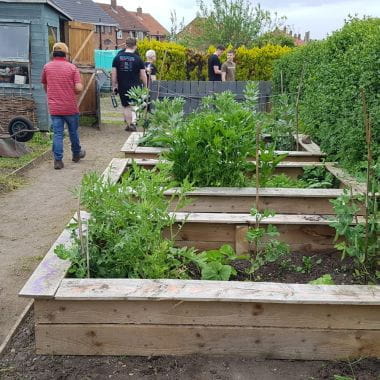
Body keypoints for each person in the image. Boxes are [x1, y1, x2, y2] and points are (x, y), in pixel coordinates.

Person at [41, 42, 85, 170]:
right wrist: (79, 88)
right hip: (70, 107)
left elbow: (45, 85)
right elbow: (78, 88)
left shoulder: (47, 67)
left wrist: (52, 95)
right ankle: (76, 154)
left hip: (55, 107)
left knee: (58, 134)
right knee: (73, 132)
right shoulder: (72, 68)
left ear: (53, 53)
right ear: (66, 54)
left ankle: (58, 160)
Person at [112, 37, 147, 131]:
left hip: (122, 86)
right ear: (135, 46)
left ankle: (129, 124)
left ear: (125, 45)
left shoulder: (117, 58)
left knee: (126, 106)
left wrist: (114, 86)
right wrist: (146, 86)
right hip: (136, 86)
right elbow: (143, 75)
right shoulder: (138, 59)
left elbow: (114, 74)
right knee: (135, 104)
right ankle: (134, 123)